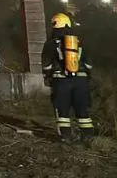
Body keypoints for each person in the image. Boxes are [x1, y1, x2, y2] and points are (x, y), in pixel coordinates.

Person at [41, 12, 94, 143]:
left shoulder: (51, 43)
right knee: (83, 111)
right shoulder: (78, 41)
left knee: (63, 110)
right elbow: (88, 64)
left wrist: (48, 76)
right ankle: (87, 136)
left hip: (61, 80)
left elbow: (46, 64)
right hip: (81, 80)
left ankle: (66, 137)